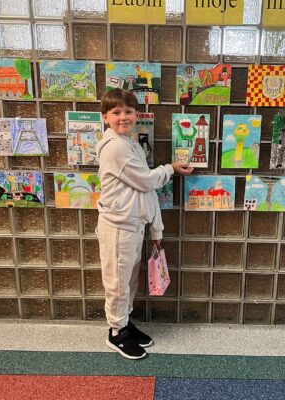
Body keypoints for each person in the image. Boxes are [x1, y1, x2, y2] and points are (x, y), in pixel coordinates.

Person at [96, 88, 193, 360]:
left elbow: (145, 192)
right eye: (116, 112)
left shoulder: (130, 143)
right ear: (105, 117)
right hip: (117, 227)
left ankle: (123, 323)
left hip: (131, 225)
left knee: (127, 280)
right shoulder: (115, 146)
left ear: (137, 114)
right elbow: (148, 181)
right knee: (117, 282)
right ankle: (116, 332)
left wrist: (155, 229)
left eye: (128, 111)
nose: (123, 117)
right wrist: (170, 168)